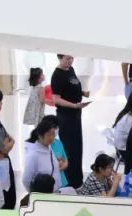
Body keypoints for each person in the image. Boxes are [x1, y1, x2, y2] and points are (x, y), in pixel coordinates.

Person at [50, 54, 89, 188]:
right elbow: (56, 99)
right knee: (70, 148)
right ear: (60, 58)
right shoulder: (57, 75)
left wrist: (83, 93)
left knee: (77, 148)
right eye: (67, 58)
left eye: (72, 58)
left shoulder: (70, 69)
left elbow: (70, 87)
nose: (70, 61)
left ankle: (78, 180)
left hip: (76, 114)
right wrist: (73, 105)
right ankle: (69, 181)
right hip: (66, 116)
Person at [22, 117, 64, 193]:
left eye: (53, 134)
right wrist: (34, 194)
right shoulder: (33, 155)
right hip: (43, 195)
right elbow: (26, 180)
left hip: (54, 191)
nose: (52, 137)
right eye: (49, 134)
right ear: (40, 136)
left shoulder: (48, 147)